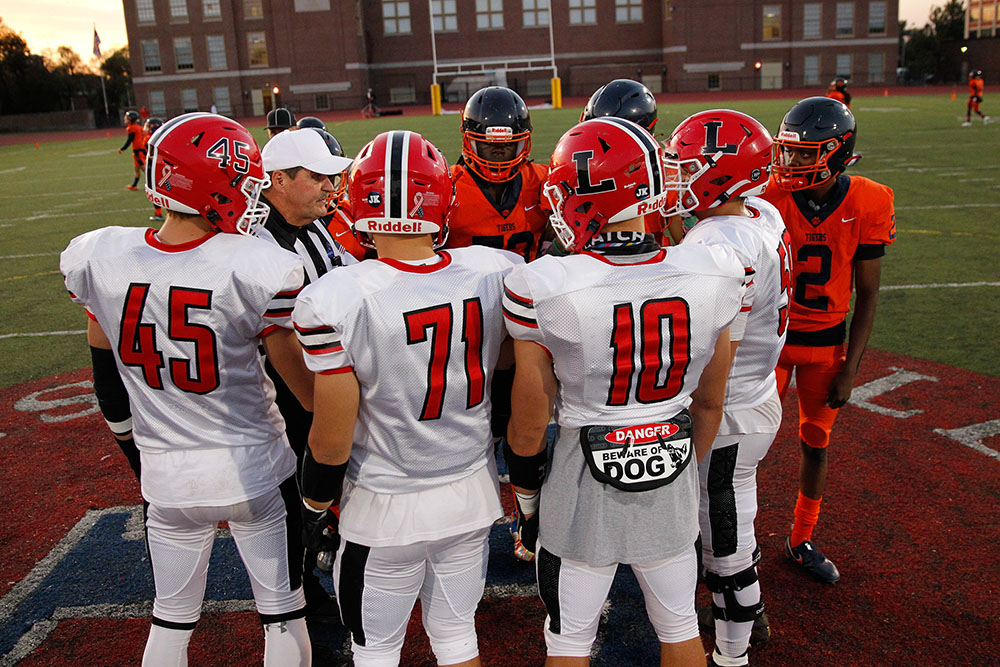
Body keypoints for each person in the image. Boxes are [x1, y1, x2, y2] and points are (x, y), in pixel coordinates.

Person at [61, 112, 315, 666]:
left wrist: (134, 450)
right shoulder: (258, 264)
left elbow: (107, 379)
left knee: (170, 622)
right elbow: (306, 393)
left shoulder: (100, 256)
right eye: (245, 183)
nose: (251, 198)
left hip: (167, 477)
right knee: (282, 615)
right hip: (254, 470)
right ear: (211, 184)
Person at [503, 116, 747, 666]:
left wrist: (526, 498)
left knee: (568, 641)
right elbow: (710, 401)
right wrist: (678, 460)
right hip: (672, 460)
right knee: (681, 625)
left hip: (578, 480)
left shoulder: (546, 285)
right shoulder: (714, 271)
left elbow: (528, 420)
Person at [293, 129, 523, 666]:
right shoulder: (496, 272)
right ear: (443, 199)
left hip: (384, 508)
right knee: (457, 638)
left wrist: (313, 506)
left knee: (376, 652)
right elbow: (512, 369)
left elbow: (330, 439)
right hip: (469, 494)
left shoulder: (337, 298)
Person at [663, 109, 787, 666]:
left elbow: (714, 353)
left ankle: (732, 653)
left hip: (731, 406)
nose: (676, 176)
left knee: (722, 538)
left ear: (723, 173)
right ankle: (748, 608)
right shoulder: (761, 213)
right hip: (758, 393)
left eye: (687, 166)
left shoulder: (722, 250)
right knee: (737, 508)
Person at [761, 97, 896, 583]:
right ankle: (727, 537)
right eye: (789, 152)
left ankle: (801, 537)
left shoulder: (868, 200)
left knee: (815, 444)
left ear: (838, 152)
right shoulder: (768, 195)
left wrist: (852, 369)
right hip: (769, 345)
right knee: (744, 442)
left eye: (804, 154)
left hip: (825, 347)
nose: (790, 163)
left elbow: (869, 294)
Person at [257, 125, 356, 617]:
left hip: (320, 374)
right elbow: (276, 339)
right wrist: (319, 404)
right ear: (277, 179)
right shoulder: (256, 242)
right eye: (316, 177)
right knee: (294, 484)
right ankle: (294, 587)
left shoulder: (312, 224)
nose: (329, 187)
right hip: (283, 391)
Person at [445, 86, 550, 262]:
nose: (498, 152)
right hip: (468, 289)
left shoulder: (542, 179)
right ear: (470, 142)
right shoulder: (448, 186)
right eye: (489, 144)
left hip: (530, 286)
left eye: (507, 145)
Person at [580, 78, 686, 247]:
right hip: (650, 260)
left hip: (597, 259)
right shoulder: (666, 170)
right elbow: (681, 238)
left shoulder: (580, 166)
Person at [142, 117, 165, 221]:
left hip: (155, 167)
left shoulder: (148, 139)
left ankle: (158, 213)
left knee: (154, 190)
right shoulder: (163, 138)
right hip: (165, 166)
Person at [118, 110, 145, 190]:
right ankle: (134, 185)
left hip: (138, 150)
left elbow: (130, 140)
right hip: (141, 149)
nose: (124, 119)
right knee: (137, 168)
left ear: (130, 119)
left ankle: (155, 184)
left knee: (144, 169)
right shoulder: (139, 127)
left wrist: (123, 148)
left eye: (126, 118)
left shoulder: (131, 128)